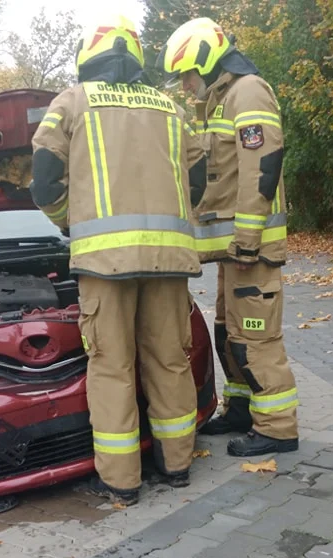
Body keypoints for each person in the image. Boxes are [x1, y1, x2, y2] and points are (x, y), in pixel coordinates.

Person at [31, 15, 208, 506]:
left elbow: (43, 182)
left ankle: (121, 481)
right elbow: (198, 178)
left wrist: (71, 222)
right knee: (170, 361)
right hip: (170, 260)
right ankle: (177, 466)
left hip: (105, 264)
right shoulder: (171, 107)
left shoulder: (72, 101)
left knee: (112, 368)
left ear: (89, 56)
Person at [157, 17, 299, 457]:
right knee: (228, 333)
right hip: (234, 250)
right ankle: (241, 410)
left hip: (250, 249)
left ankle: (277, 428)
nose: (185, 86)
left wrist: (248, 238)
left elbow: (262, 167)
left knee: (254, 337)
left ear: (205, 60)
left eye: (187, 76)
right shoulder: (219, 101)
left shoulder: (248, 92)